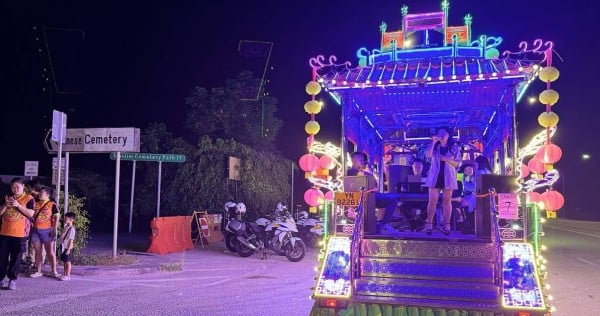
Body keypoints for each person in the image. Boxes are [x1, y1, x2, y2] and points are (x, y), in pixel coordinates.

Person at [346, 152, 399, 234]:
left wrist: (370, 174)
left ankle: (381, 223)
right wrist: (367, 172)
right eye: (359, 159)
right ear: (353, 160)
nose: (362, 161)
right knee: (392, 199)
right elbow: (358, 181)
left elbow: (375, 185)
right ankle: (381, 224)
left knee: (393, 197)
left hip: (372, 194)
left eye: (362, 159)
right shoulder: (351, 171)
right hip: (364, 197)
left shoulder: (364, 171)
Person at [425, 127, 462, 235]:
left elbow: (458, 164)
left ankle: (447, 224)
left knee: (447, 202)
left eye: (443, 133)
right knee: (432, 201)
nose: (441, 135)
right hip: (434, 177)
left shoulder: (454, 147)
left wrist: (446, 159)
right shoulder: (435, 146)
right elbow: (428, 155)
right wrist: (433, 142)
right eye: (439, 132)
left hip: (448, 177)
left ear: (448, 135)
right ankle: (429, 223)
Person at [0, 178, 35, 290]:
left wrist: (18, 205)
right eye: (12, 187)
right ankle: (1, 278)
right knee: (2, 257)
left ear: (23, 186)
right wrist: (5, 205)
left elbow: (30, 214)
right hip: (4, 232)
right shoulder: (6, 197)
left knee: (16, 258)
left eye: (17, 187)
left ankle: (12, 280)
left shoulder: (29, 198)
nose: (15, 189)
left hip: (20, 234)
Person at [30, 186, 60, 279]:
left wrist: (54, 229)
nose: (39, 194)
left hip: (47, 231)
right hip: (35, 230)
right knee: (38, 252)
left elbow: (56, 217)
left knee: (50, 252)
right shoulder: (36, 203)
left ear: (48, 195)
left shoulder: (52, 204)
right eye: (39, 193)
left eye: (41, 193)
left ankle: (54, 271)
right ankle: (38, 271)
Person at [59, 212, 77, 281]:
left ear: (71, 219)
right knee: (64, 261)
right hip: (64, 246)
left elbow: (71, 240)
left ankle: (68, 275)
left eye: (66, 218)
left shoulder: (72, 229)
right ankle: (64, 273)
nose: (64, 219)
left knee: (68, 261)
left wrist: (68, 249)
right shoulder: (66, 226)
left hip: (67, 247)